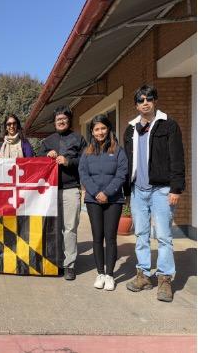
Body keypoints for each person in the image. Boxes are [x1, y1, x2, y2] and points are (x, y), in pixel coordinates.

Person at [124, 85, 185, 302]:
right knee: (141, 234)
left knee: (163, 236)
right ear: (136, 104)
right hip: (138, 190)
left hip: (162, 190)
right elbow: (128, 162)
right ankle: (143, 275)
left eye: (149, 98)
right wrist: (127, 190)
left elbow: (177, 158)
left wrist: (176, 188)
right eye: (140, 100)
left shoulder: (168, 125)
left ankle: (165, 280)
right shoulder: (130, 129)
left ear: (155, 101)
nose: (145, 102)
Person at [78, 115, 128, 291]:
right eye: (96, 129)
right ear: (92, 132)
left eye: (103, 128)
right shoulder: (87, 152)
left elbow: (122, 174)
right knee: (97, 237)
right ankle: (100, 273)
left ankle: (110, 275)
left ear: (109, 129)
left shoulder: (119, 151)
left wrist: (107, 193)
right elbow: (83, 174)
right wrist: (96, 193)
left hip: (114, 200)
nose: (100, 132)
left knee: (111, 237)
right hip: (93, 200)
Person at [38, 106, 87, 280]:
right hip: (50, 191)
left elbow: (85, 161)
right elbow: (36, 162)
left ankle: (70, 264)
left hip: (71, 189)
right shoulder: (47, 141)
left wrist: (68, 161)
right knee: (54, 228)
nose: (61, 121)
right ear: (54, 121)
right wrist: (46, 156)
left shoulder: (78, 138)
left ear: (69, 120)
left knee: (70, 228)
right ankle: (56, 262)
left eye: (64, 118)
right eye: (58, 119)